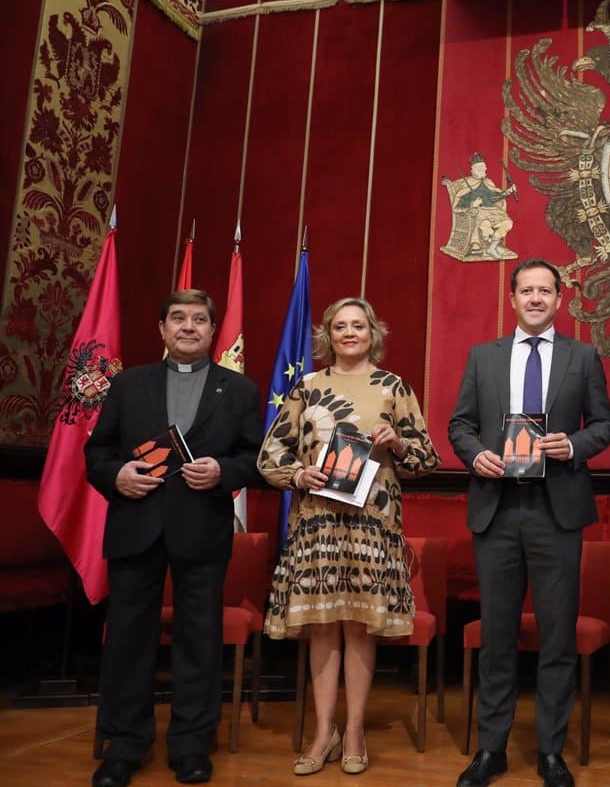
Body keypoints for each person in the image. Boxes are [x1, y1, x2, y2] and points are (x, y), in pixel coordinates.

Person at [85, 289, 263, 787]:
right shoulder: (127, 385)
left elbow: (255, 459)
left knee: (199, 641)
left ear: (212, 330)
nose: (188, 327)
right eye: (178, 318)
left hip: (201, 529)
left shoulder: (240, 390)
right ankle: (124, 746)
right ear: (161, 328)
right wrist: (117, 474)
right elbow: (96, 454)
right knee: (127, 639)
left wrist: (223, 471)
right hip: (135, 526)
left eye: (199, 319)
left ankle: (191, 745)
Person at [448, 258, 610, 787]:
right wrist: (475, 454)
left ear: (560, 299)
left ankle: (550, 752)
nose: (536, 298)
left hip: (556, 509)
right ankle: (491, 749)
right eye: (527, 291)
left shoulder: (582, 356)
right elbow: (459, 425)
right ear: (513, 299)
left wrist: (575, 444)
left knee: (558, 637)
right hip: (497, 508)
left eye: (546, 291)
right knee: (496, 636)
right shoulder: (483, 356)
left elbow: (604, 425)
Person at [258, 297, 439, 776]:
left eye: (358, 325)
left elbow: (426, 458)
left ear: (373, 333)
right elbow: (270, 455)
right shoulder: (307, 387)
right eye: (340, 326)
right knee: (322, 626)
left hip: (372, 526)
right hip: (316, 524)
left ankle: (355, 730)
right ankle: (324, 733)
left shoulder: (393, 387)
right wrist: (299, 474)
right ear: (328, 335)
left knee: (359, 626)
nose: (350, 332)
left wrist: (397, 442)